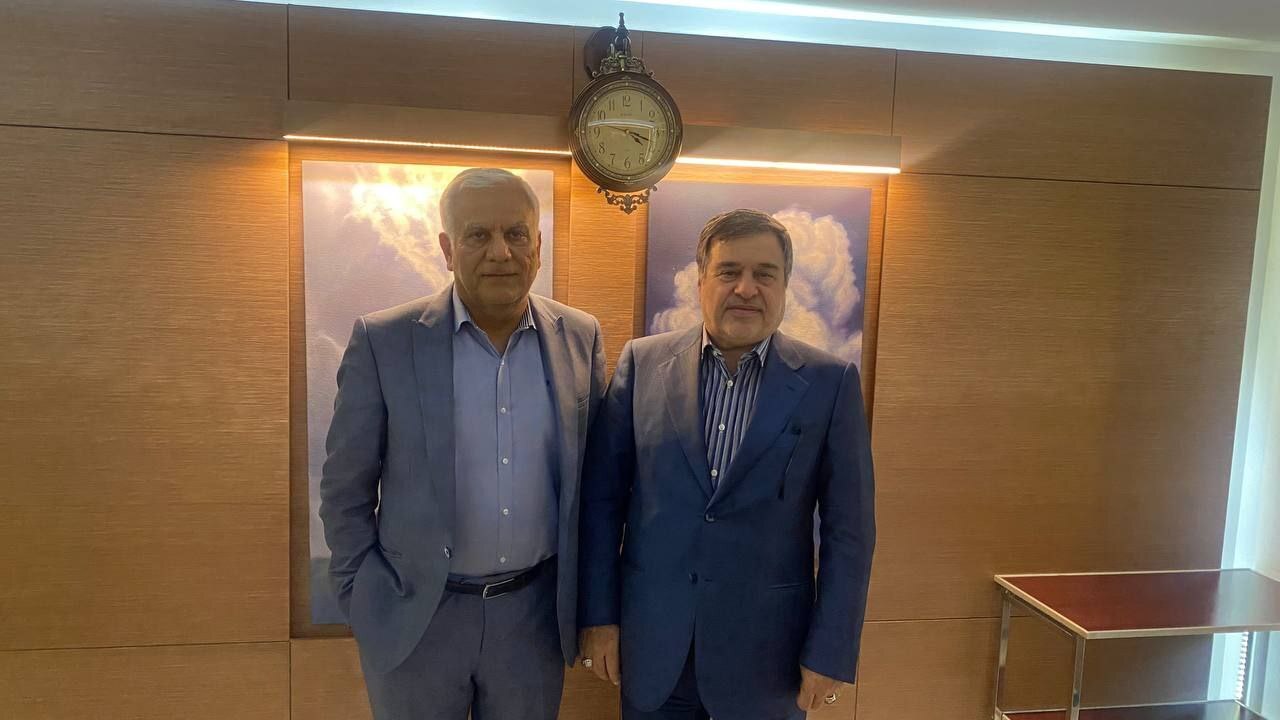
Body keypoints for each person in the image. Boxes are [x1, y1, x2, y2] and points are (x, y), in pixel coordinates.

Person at [319, 168, 606, 720]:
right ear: (448, 250)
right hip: (417, 617)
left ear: (538, 246)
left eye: (515, 234)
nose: (500, 252)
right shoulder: (385, 341)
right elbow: (344, 489)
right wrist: (363, 597)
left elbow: (594, 487)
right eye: (478, 235)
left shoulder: (580, 336)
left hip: (533, 620)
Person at [578, 208, 876, 720]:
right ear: (701, 282)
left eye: (765, 274)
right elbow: (601, 504)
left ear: (785, 286)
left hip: (770, 661)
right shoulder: (642, 364)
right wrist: (599, 617)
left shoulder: (830, 383)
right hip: (652, 650)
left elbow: (850, 533)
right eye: (729, 271)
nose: (746, 288)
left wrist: (831, 652)